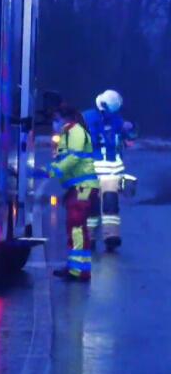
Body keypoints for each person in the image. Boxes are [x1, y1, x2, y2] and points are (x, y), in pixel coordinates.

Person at [82, 89, 136, 252]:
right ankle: (110, 236)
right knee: (110, 205)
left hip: (91, 172)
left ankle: (89, 238)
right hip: (112, 172)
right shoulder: (117, 121)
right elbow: (130, 137)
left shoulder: (85, 117)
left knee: (91, 206)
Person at [51, 104, 99, 282]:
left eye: (56, 119)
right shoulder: (70, 133)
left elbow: (74, 158)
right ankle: (76, 268)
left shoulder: (75, 132)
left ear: (65, 118)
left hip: (83, 187)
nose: (54, 123)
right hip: (78, 187)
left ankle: (79, 271)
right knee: (75, 227)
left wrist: (51, 170)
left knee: (77, 226)